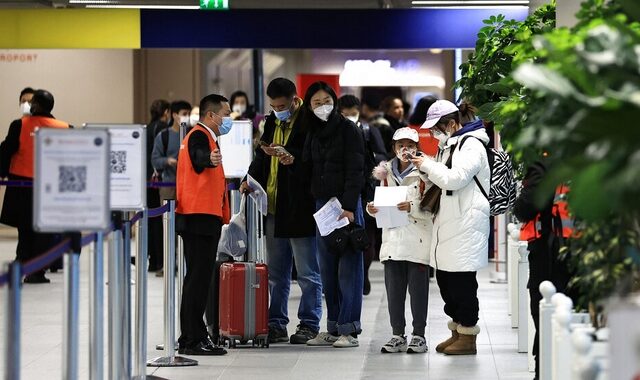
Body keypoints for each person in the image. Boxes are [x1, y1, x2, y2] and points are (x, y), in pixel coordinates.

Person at [239, 78, 322, 345]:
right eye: (274, 106)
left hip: (299, 206)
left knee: (308, 272)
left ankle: (309, 323)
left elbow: (313, 159)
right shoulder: (272, 121)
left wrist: (292, 157)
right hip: (273, 206)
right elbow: (262, 156)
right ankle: (276, 323)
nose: (278, 109)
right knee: (276, 273)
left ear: (295, 100)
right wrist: (249, 178)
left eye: (282, 105)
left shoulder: (309, 122)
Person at [410, 100, 490, 355]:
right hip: (450, 222)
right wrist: (424, 169)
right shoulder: (450, 145)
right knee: (446, 279)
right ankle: (456, 331)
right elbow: (440, 179)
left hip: (466, 222)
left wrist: (427, 165)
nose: (434, 133)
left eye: (437, 128)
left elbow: (454, 179)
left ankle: (468, 335)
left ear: (453, 124)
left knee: (462, 281)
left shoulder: (472, 145)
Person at [302, 81, 365, 348]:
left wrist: (349, 206)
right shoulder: (312, 132)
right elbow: (308, 166)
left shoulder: (349, 130)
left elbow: (356, 169)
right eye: (316, 103)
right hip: (322, 206)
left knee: (348, 267)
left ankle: (349, 329)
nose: (321, 106)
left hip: (345, 205)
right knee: (326, 267)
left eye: (326, 101)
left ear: (334, 102)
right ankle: (332, 327)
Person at [175, 94, 232, 356]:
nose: (228, 119)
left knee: (197, 278)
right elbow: (200, 157)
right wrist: (208, 159)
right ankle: (193, 338)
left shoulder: (204, 136)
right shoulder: (200, 135)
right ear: (211, 115)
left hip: (202, 215)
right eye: (226, 113)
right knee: (198, 279)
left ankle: (192, 335)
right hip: (199, 217)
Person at [368, 127, 432, 354]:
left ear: (417, 147)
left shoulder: (426, 172)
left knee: (418, 291)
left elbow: (433, 207)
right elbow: (380, 204)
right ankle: (397, 335)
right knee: (394, 292)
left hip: (418, 240)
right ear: (394, 148)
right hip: (393, 240)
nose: (406, 149)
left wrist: (412, 207)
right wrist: (372, 209)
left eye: (410, 145)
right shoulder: (385, 175)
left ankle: (419, 335)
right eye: (400, 145)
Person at [0, 89, 70, 284]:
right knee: (44, 231)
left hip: (22, 187)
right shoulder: (64, 127)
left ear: (36, 105)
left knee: (25, 229)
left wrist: (2, 171)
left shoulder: (19, 125)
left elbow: (6, 150)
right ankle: (36, 270)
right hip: (50, 189)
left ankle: (22, 261)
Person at [514, 160, 574, 379]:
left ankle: (545, 372)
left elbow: (525, 207)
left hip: (549, 256)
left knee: (545, 320)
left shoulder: (543, 165)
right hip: (583, 255)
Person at [337, 94, 385, 295]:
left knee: (366, 237)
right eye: (345, 114)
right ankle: (344, 279)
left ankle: (362, 275)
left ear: (360, 112)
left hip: (366, 191)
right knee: (339, 237)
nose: (350, 117)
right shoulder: (334, 131)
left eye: (353, 114)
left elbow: (382, 154)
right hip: (340, 192)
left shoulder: (368, 130)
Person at [146, 99, 171, 273]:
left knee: (151, 220)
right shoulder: (162, 130)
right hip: (159, 181)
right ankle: (161, 260)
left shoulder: (146, 128)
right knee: (159, 222)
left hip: (146, 180)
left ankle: (153, 260)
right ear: (166, 112)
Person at [152, 100, 192, 203]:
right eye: (184, 114)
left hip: (189, 185)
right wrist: (167, 161)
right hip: (169, 185)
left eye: (189, 114)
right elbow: (155, 160)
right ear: (175, 115)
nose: (187, 117)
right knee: (167, 216)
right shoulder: (164, 136)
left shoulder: (192, 135)